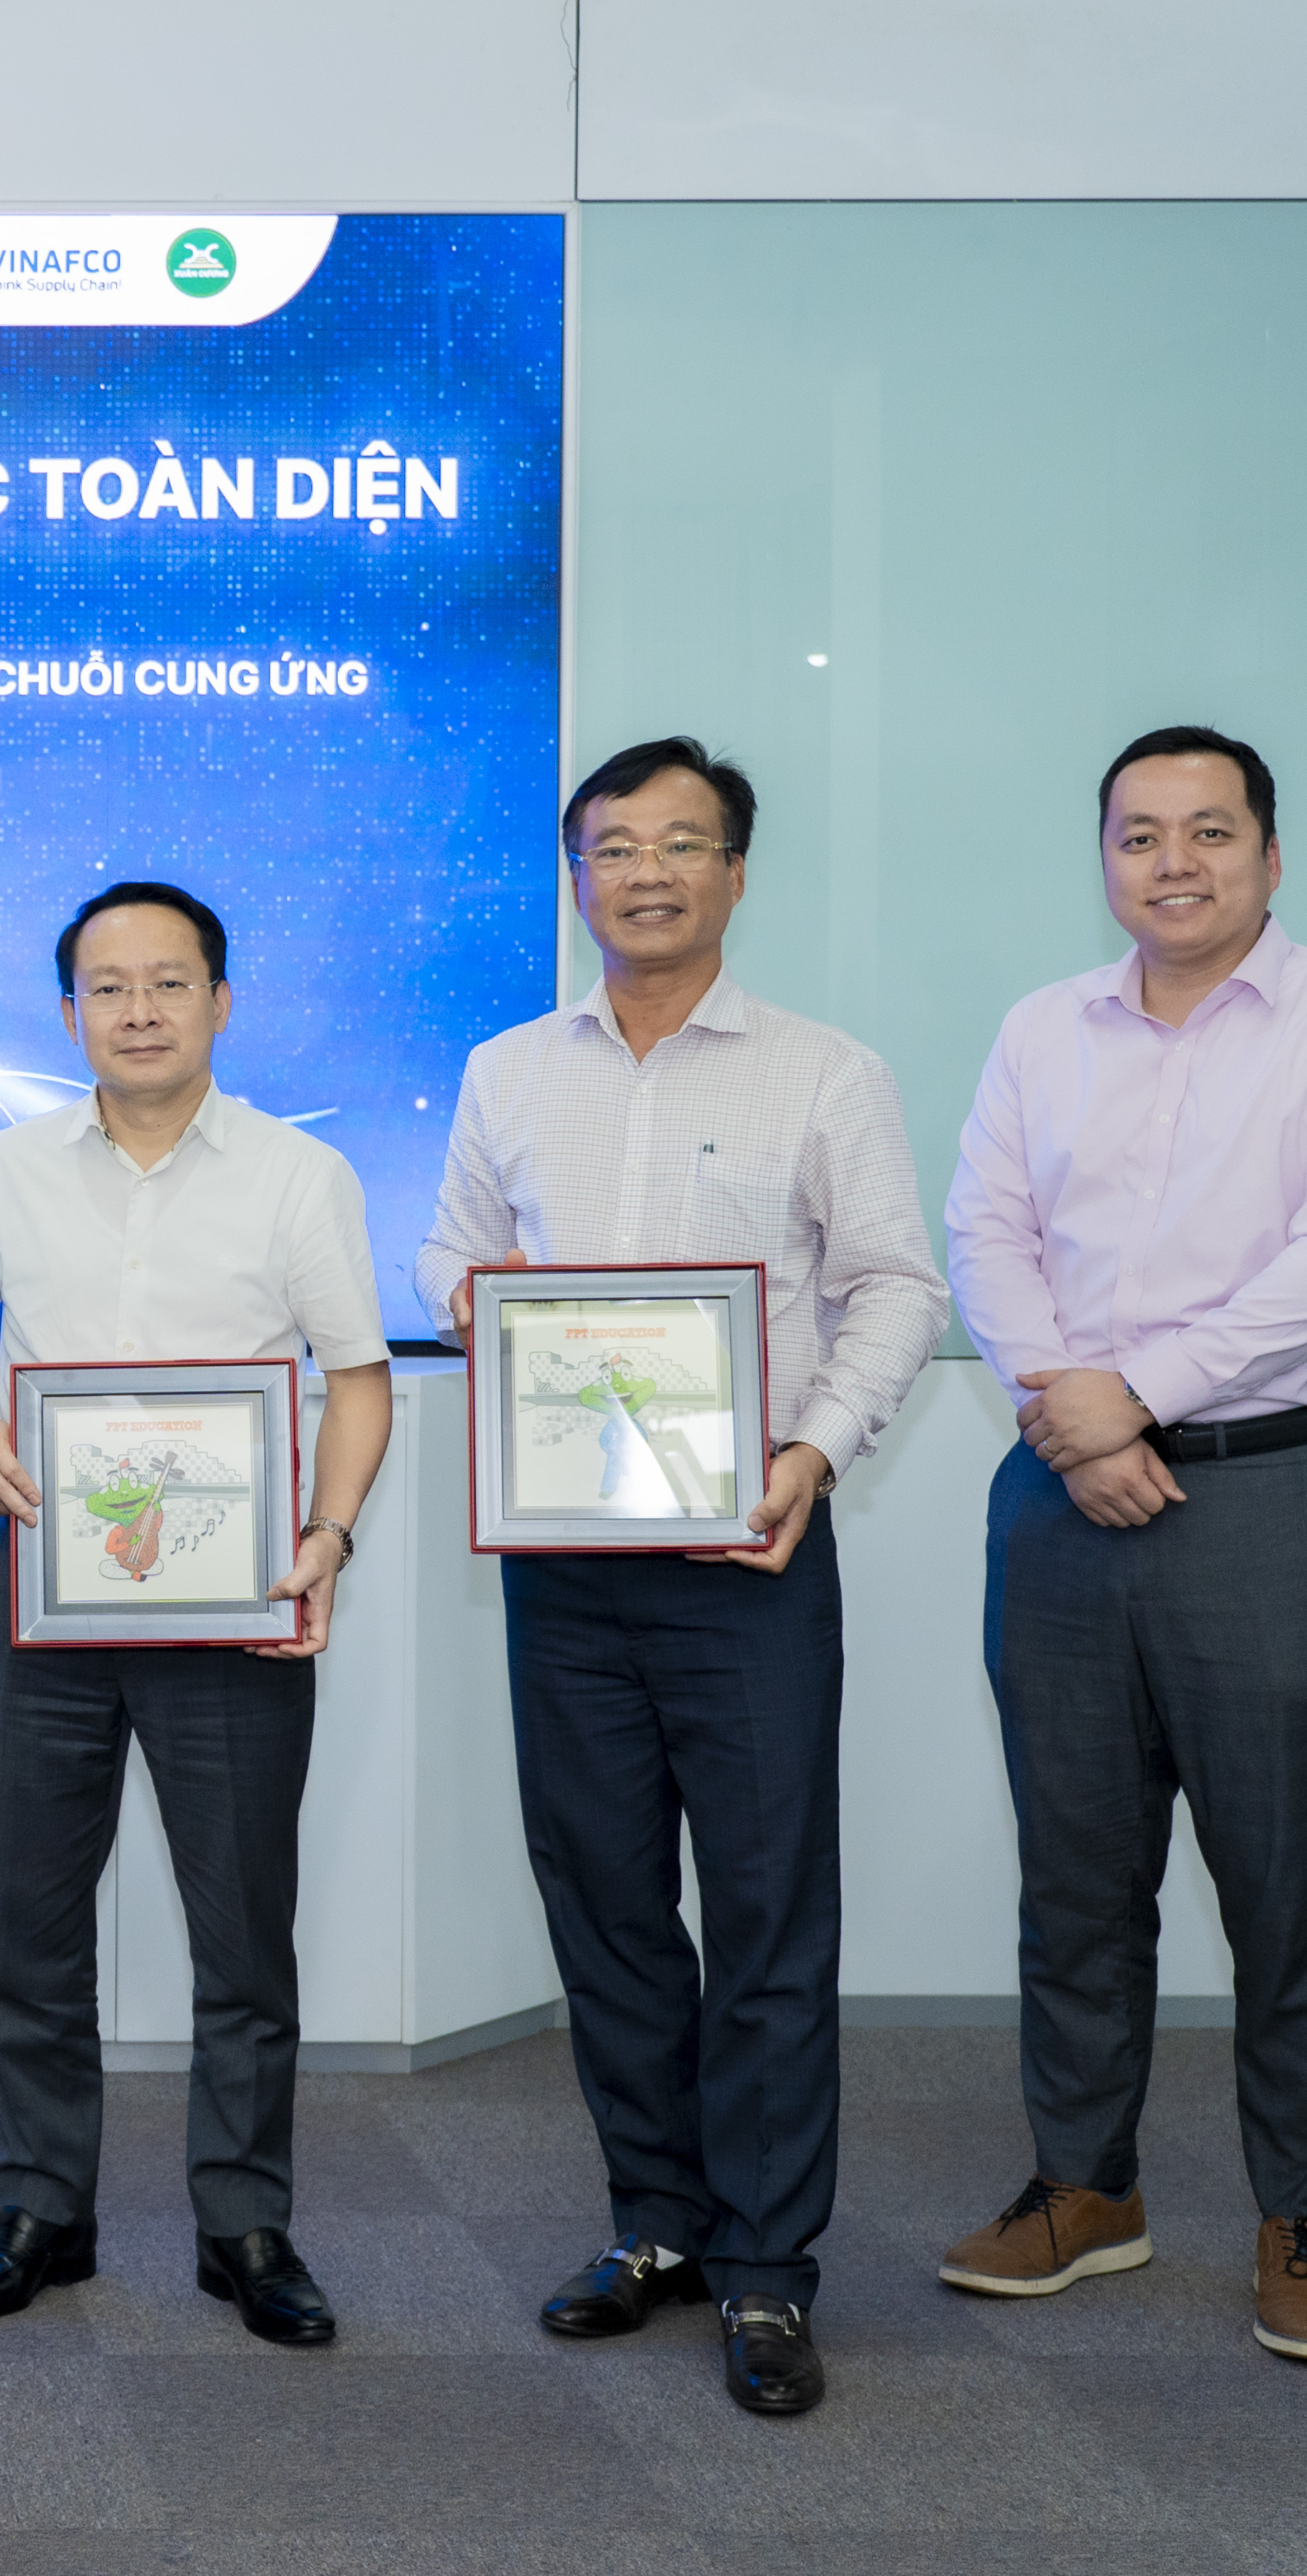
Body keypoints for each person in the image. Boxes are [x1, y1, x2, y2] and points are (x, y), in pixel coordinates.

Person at [417, 738, 947, 2420]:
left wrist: (813, 1450)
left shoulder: (823, 1073)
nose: (646, 872)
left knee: (772, 1916)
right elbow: (449, 1253)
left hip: (748, 1553)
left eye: (683, 844)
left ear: (736, 873)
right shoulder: (509, 1068)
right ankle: (656, 2223)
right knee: (610, 1906)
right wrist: (496, 1317)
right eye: (614, 845)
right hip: (567, 1565)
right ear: (576, 874)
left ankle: (771, 2269)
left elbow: (896, 1289)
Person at [939, 727, 1307, 2367]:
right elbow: (986, 1234)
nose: (1176, 861)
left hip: (1271, 1492)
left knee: (1286, 1872)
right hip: (1063, 1496)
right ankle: (1086, 2184)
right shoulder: (1040, 1031)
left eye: (1211, 831)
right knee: (1075, 1869)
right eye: (1141, 833)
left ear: (1270, 856)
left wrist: (1133, 1397)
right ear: (1104, 859)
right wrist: (1074, 1419)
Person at [0, 880, 394, 2349]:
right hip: (45, 1590)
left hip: (235, 1599)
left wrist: (326, 1533)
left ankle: (244, 2218)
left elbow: (360, 1375)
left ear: (221, 1002)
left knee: (243, 1930)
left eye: (169, 983)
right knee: (32, 1924)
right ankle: (40, 2206)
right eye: (108, 987)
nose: (139, 1010)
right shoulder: (3, 1166)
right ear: (70, 1012)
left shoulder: (299, 1173)